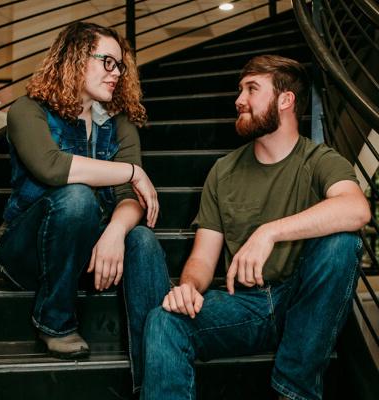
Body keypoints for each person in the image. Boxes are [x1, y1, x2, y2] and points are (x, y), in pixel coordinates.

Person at [140, 55, 371, 400]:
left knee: (342, 243)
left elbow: (356, 208)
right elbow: (203, 257)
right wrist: (188, 287)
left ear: (285, 100)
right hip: (245, 306)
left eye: (251, 89)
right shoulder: (223, 171)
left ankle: (295, 393)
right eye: (240, 90)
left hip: (303, 299)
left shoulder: (321, 160)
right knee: (164, 319)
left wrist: (269, 232)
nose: (239, 100)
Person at [0, 22, 170, 393]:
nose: (116, 74)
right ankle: (55, 321)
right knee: (76, 197)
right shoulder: (28, 110)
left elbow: (130, 199)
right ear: (73, 59)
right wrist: (133, 170)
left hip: (86, 252)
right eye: (107, 62)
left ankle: (156, 372)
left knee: (142, 240)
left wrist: (115, 232)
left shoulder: (118, 124)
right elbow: (53, 167)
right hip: (29, 250)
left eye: (120, 66)